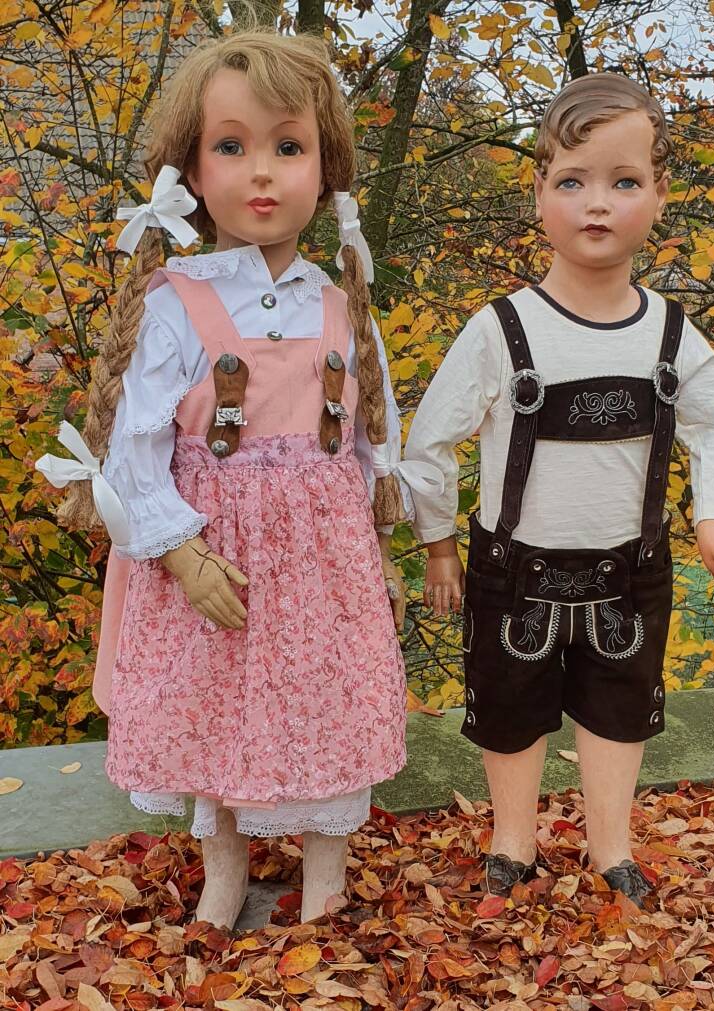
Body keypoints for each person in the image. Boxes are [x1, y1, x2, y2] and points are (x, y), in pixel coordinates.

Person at [36, 29, 432, 927]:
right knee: (213, 703)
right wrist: (181, 552)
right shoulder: (177, 303)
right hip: (217, 557)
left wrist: (380, 549)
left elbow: (370, 441)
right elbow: (134, 452)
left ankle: (325, 879)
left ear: (326, 169)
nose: (262, 172)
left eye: (288, 147)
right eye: (231, 146)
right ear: (189, 168)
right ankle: (224, 873)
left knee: (328, 701)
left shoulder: (339, 303)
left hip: (323, 563)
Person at [404, 73, 714, 905]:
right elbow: (428, 443)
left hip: (629, 568)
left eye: (624, 181)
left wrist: (713, 528)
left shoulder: (673, 334)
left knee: (619, 708)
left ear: (660, 195)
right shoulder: (501, 329)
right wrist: (438, 543)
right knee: (509, 709)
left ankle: (611, 845)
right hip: (512, 568)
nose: (597, 203)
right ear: (538, 193)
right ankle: (513, 840)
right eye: (572, 182)